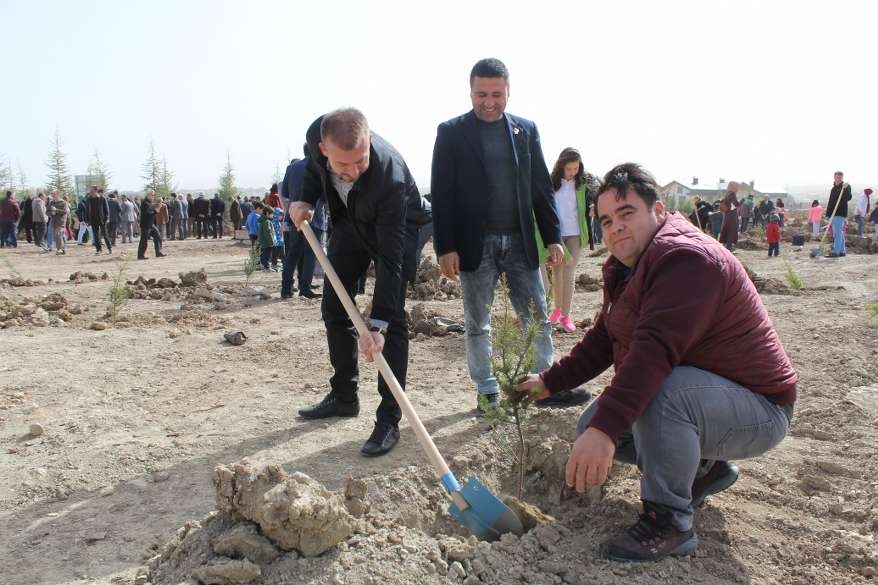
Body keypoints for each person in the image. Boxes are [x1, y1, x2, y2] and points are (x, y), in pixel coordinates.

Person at [517, 162, 797, 562]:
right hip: (709, 394)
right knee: (590, 425)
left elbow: (653, 355)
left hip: (760, 407)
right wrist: (549, 381)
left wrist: (606, 430)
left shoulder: (687, 260)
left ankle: (669, 520)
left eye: (627, 214)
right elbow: (604, 337)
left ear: (659, 210)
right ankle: (704, 470)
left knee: (658, 395)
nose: (616, 228)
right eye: (607, 220)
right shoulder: (629, 266)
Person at [431, 57, 589, 412]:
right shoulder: (451, 132)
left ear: (508, 92)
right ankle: (487, 389)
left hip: (520, 240)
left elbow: (539, 190)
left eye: (497, 94)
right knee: (478, 323)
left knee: (536, 314)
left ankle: (543, 382)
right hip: (474, 245)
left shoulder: (525, 130)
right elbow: (441, 194)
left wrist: (552, 238)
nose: (489, 101)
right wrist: (446, 246)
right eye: (481, 93)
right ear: (470, 92)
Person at [290, 107, 418, 457]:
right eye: (343, 165)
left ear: (370, 142)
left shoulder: (388, 177)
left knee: (392, 323)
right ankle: (344, 396)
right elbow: (314, 171)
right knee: (334, 306)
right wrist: (305, 199)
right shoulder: (316, 141)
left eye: (360, 161)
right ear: (324, 148)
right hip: (351, 223)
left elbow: (391, 259)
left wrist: (377, 325)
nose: (353, 172)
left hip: (397, 229)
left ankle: (389, 419)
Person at [546, 148, 592, 333]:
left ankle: (566, 316)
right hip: (555, 236)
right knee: (557, 272)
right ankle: (556, 311)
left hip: (575, 234)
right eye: (569, 169)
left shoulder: (584, 183)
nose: (573, 172)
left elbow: (596, 195)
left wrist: (594, 205)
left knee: (569, 273)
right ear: (561, 166)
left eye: (576, 168)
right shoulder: (550, 182)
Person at [281, 154, 323, 299]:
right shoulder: (319, 165)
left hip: (295, 216)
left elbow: (285, 192)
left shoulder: (291, 168)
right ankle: (305, 288)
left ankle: (286, 288)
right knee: (310, 253)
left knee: (293, 252)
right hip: (314, 216)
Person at [825, 171, 852, 258]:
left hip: (840, 213)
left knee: (837, 232)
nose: (838, 179)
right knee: (839, 232)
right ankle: (842, 251)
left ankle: (835, 251)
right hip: (833, 213)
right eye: (836, 177)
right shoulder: (833, 189)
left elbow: (849, 197)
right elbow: (831, 202)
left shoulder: (846, 187)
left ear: (842, 178)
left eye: (839, 177)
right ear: (834, 177)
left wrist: (846, 189)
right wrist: (828, 214)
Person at [137, 190, 165, 260]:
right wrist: (155, 211)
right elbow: (147, 214)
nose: (153, 197)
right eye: (152, 195)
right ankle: (140, 256)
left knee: (158, 237)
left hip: (151, 224)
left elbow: (152, 207)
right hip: (145, 225)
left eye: (153, 195)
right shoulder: (145, 203)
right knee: (144, 240)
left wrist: (158, 205)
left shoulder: (149, 203)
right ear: (148, 195)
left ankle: (158, 252)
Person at [86, 187, 113, 255]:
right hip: (93, 220)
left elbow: (106, 209)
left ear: (96, 191)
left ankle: (109, 248)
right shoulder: (89, 199)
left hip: (102, 219)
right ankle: (98, 250)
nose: (91, 192)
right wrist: (87, 220)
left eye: (92, 191)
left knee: (105, 234)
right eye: (90, 191)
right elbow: (87, 210)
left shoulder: (102, 199)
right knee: (96, 235)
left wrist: (107, 218)